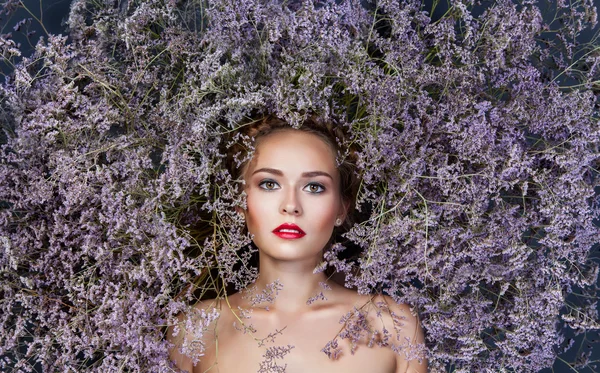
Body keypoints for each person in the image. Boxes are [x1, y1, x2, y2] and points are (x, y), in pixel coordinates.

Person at [167, 116, 427, 373]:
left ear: (341, 208)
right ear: (239, 203)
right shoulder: (195, 328)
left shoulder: (392, 324)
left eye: (314, 187)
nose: (290, 205)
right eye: (269, 184)